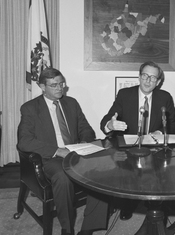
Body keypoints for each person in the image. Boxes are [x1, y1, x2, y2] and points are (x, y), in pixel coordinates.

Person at [18, 68, 109, 235]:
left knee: (102, 171)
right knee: (63, 177)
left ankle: (90, 226)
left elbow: (86, 129)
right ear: (42, 86)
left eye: (61, 84)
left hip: (75, 153)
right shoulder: (30, 108)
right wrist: (57, 151)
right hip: (50, 158)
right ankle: (67, 229)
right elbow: (24, 141)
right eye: (54, 85)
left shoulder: (71, 103)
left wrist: (83, 142)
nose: (60, 88)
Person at [100, 61, 175, 220]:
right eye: (145, 75)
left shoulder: (164, 97)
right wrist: (110, 124)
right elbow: (107, 120)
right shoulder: (125, 94)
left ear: (158, 82)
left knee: (163, 171)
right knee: (127, 172)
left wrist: (160, 132)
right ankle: (127, 204)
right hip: (128, 147)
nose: (148, 80)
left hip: (154, 147)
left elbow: (174, 127)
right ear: (139, 77)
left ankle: (156, 207)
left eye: (153, 77)